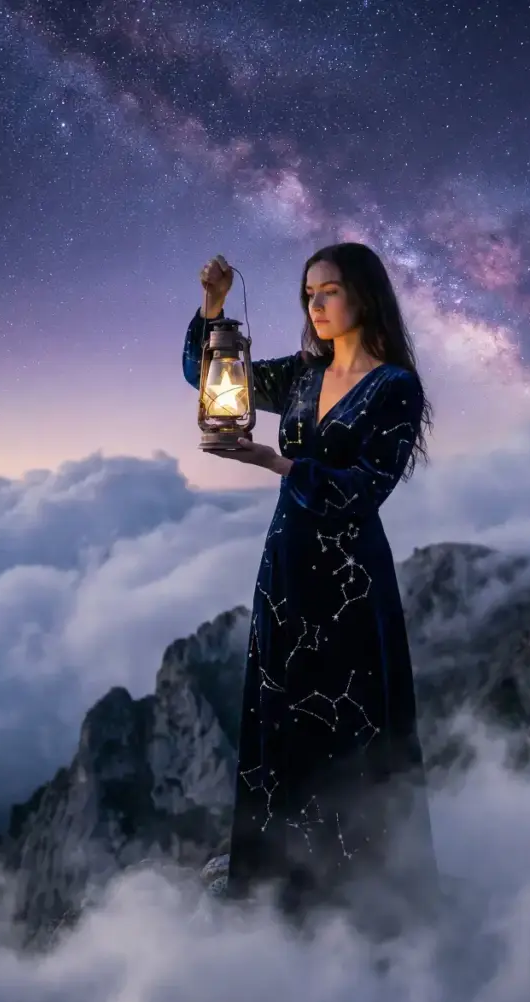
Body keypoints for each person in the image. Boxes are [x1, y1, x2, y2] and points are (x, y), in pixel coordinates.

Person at [182, 243, 440, 938]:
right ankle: (278, 882)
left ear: (364, 294)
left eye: (328, 290)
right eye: (307, 293)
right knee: (281, 709)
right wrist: (213, 306)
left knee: (349, 720)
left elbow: (364, 489)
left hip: (350, 574)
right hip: (286, 566)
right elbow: (205, 373)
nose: (315, 305)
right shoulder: (302, 373)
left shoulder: (394, 387)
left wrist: (278, 462)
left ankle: (358, 895)